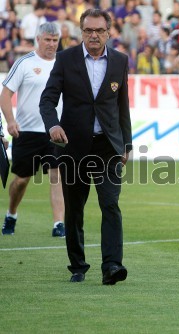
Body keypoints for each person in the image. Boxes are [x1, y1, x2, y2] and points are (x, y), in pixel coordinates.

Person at [39, 9, 132, 285]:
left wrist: (126, 144)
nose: (94, 35)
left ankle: (112, 266)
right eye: (89, 30)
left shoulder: (120, 61)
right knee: (75, 209)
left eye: (99, 31)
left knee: (110, 204)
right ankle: (78, 265)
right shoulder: (65, 59)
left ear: (108, 32)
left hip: (107, 147)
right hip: (72, 146)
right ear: (81, 32)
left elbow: (122, 106)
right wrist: (53, 125)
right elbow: (47, 100)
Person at [0, 22, 65, 237]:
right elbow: (5, 95)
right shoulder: (25, 63)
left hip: (55, 131)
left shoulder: (64, 64)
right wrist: (10, 121)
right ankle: (11, 213)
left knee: (57, 176)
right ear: (38, 39)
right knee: (21, 180)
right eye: (47, 39)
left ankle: (58, 224)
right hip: (26, 131)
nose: (51, 44)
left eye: (55, 40)